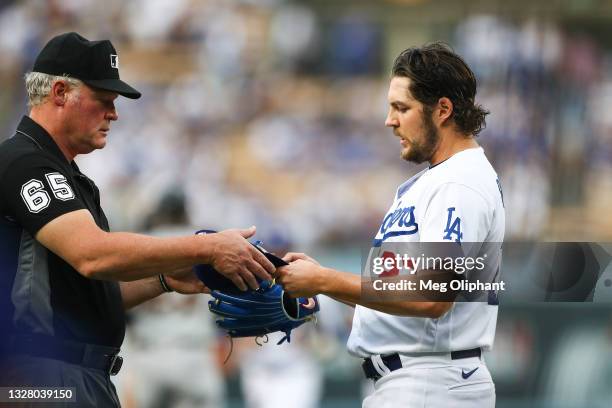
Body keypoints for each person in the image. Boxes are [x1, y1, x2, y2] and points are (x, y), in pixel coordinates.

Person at [0, 32, 275, 406]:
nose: (113, 113)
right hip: (43, 375)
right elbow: (92, 254)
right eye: (103, 100)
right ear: (60, 93)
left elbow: (81, 294)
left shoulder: (66, 174)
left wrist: (165, 279)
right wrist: (207, 247)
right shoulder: (25, 161)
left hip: (71, 372)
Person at [277, 42, 505, 408]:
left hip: (431, 382)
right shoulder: (439, 180)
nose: (390, 120)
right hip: (416, 380)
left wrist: (323, 281)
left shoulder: (459, 183)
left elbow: (431, 295)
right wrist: (323, 281)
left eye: (402, 107)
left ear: (443, 109)